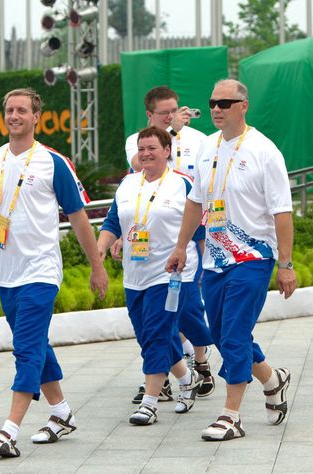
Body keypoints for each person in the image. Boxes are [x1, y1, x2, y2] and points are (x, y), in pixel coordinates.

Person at [0, 88, 109, 458]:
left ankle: (9, 430)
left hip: (41, 271)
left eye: (22, 110)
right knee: (36, 344)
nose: (14, 115)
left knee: (25, 347)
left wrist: (96, 266)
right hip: (6, 273)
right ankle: (61, 412)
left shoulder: (53, 162)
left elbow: (79, 217)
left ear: (37, 116)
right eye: (9, 110)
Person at [166, 79, 297, 441]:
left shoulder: (264, 150)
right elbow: (196, 201)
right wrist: (181, 246)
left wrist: (285, 265)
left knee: (235, 333)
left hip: (254, 257)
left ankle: (230, 415)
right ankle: (272, 378)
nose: (217, 108)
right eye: (212, 102)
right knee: (223, 335)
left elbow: (282, 212)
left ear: (244, 105)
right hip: (215, 259)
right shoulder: (207, 148)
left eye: (225, 102)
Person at [98, 126, 205, 425]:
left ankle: (150, 402)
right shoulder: (128, 184)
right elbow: (112, 221)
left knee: (158, 332)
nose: (145, 153)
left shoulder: (183, 185)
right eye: (141, 148)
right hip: (135, 273)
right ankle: (186, 379)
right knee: (148, 336)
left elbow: (201, 230)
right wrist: (101, 248)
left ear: (167, 151)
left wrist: (203, 267)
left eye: (152, 148)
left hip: (171, 274)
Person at [123, 85, 215, 400]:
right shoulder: (140, 141)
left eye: (175, 110)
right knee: (161, 318)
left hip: (188, 240)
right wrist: (169, 133)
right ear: (150, 115)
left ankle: (201, 360)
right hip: (149, 248)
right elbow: (138, 164)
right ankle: (161, 376)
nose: (173, 116)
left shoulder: (199, 140)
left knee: (188, 311)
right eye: (164, 113)